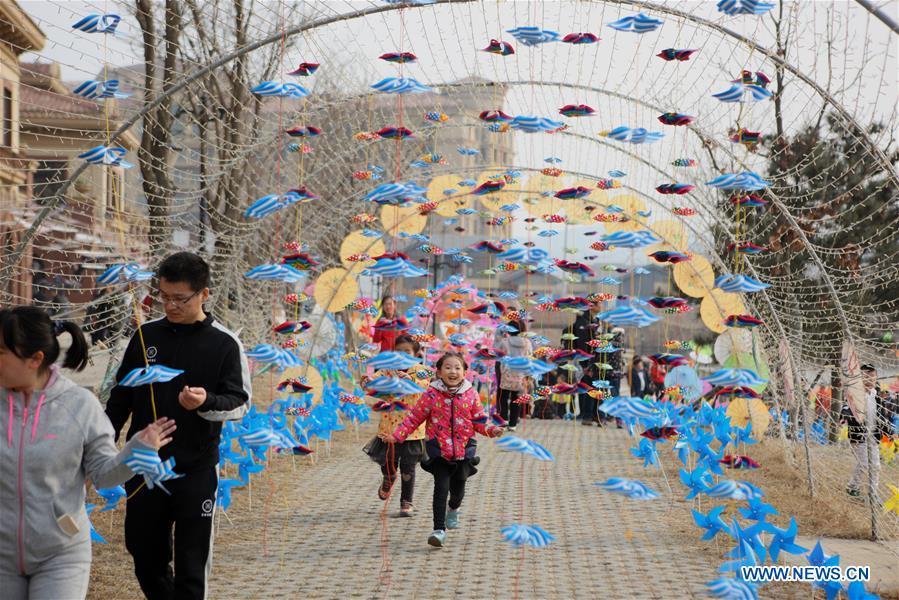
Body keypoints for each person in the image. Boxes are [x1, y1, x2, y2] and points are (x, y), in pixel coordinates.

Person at [0, 306, 174, 600]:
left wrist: (137, 451)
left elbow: (105, 475)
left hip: (60, 554)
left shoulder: (79, 405)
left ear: (35, 359)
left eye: (1, 351)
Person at [106, 252, 251, 600]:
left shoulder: (225, 344)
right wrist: (99, 442)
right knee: (145, 557)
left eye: (179, 299)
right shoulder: (144, 337)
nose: (170, 305)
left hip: (195, 470)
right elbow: (121, 397)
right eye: (163, 296)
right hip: (144, 468)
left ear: (204, 294)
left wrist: (206, 403)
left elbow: (240, 402)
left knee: (191, 564)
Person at [386, 352, 503, 547]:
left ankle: (454, 508)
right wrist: (396, 436)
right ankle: (438, 530)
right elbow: (414, 418)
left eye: (457, 368)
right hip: (438, 450)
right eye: (447, 367)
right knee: (441, 488)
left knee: (458, 490)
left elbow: (479, 420)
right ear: (439, 372)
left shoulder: (471, 393)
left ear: (465, 372)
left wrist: (492, 430)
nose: (453, 371)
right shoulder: (431, 394)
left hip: (464, 451)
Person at [362, 335, 430, 516]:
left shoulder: (421, 371)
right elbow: (373, 385)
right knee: (388, 463)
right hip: (388, 428)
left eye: (407, 352)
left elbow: (425, 386)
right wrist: (367, 382)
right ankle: (388, 478)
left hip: (412, 431)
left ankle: (406, 502)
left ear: (416, 354)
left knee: (408, 467)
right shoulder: (387, 371)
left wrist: (410, 379)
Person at [843, 364, 897, 500]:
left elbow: (883, 417)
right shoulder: (855, 394)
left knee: (876, 466)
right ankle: (852, 487)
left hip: (873, 436)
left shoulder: (876, 395)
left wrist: (890, 432)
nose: (869, 380)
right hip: (859, 436)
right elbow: (846, 408)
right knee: (863, 464)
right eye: (866, 377)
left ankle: (873, 493)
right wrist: (846, 415)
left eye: (872, 377)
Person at [566, 301, 602, 426]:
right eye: (599, 304)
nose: (601, 306)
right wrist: (585, 364)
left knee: (594, 388)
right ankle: (587, 415)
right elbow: (582, 344)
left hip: (595, 360)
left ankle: (593, 415)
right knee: (588, 388)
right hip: (585, 361)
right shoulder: (582, 321)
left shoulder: (596, 321)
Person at [494, 317, 533, 431]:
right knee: (516, 399)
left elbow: (498, 355)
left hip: (506, 372)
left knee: (503, 397)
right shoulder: (527, 343)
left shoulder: (504, 342)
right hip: (520, 374)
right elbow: (529, 358)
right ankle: (513, 424)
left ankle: (504, 419)